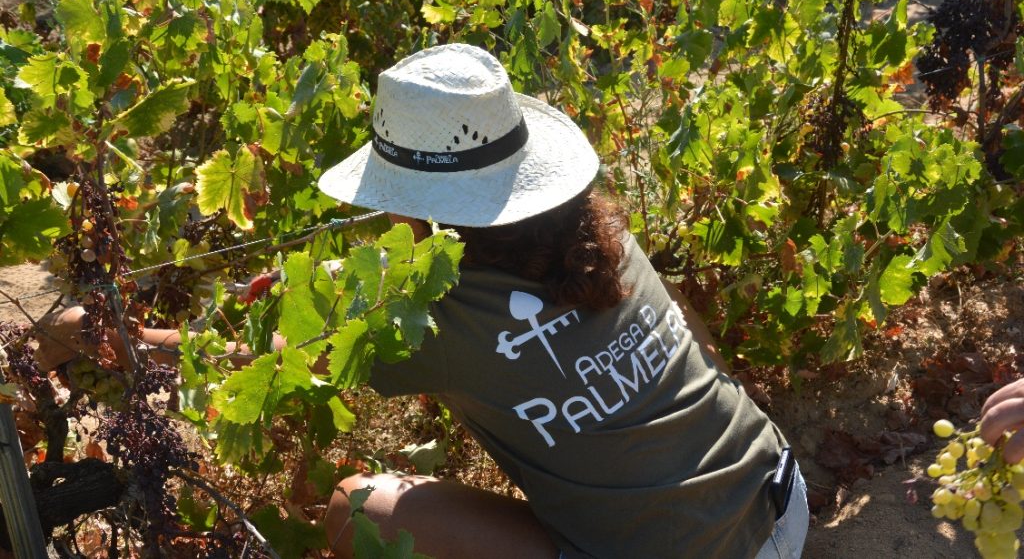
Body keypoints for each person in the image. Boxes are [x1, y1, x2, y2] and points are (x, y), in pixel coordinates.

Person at [37, 44, 808, 558]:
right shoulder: (596, 229)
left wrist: (114, 338)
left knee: (355, 503)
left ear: (423, 208)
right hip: (781, 498)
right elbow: (699, 341)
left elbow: (265, 367)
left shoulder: (433, 320)